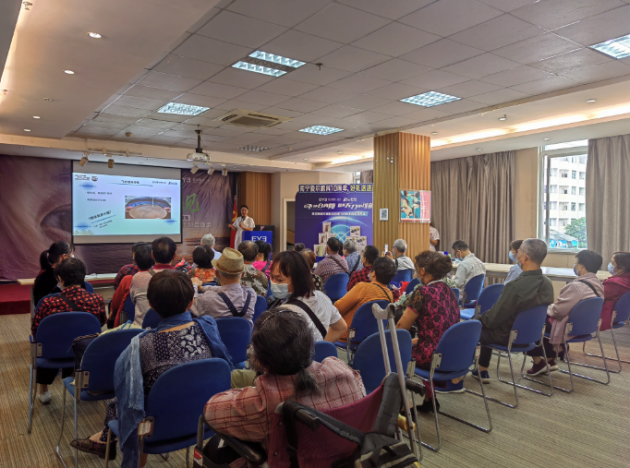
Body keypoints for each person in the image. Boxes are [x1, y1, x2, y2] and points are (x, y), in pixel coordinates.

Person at [71, 270, 233, 465]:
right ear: (191, 302)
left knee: (129, 398)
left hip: (154, 430)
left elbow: (128, 401)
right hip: (203, 421)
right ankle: (103, 438)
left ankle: (105, 439)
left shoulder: (140, 347)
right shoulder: (208, 329)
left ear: (151, 305)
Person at [204, 309, 365, 460]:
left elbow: (210, 411)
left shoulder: (264, 401)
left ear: (262, 362)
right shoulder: (343, 371)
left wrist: (251, 390)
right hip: (343, 460)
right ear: (309, 344)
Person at [472, 239, 554, 383]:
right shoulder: (547, 283)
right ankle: (481, 369)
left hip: (508, 336)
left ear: (524, 257)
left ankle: (458, 375)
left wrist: (475, 320)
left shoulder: (515, 286)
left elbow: (493, 320)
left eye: (519, 251)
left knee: (473, 328)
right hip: (532, 336)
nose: (516, 254)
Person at [32, 258, 106, 403]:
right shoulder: (97, 300)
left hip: (53, 352)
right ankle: (78, 383)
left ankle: (43, 391)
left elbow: (36, 331)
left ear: (60, 279)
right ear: (83, 277)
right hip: (84, 352)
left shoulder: (47, 303)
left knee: (47, 342)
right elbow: (101, 322)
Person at [395, 251, 459, 411]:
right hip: (451, 352)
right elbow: (439, 329)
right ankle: (430, 399)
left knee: (392, 352)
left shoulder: (422, 292)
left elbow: (401, 327)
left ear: (422, 271)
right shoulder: (449, 291)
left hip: (431, 355)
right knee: (413, 345)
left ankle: (402, 407)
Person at [526, 250, 604, 375]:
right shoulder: (598, 284)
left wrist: (546, 308)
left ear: (581, 266)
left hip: (569, 326)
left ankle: (538, 363)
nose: (575, 266)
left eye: (576, 263)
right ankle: (550, 361)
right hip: (585, 326)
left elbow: (558, 311)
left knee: (531, 321)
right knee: (541, 321)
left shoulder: (576, 286)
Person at [269, 251, 347, 342]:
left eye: (279, 280)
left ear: (297, 280)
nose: (273, 282)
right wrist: (320, 347)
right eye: (272, 277)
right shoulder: (323, 297)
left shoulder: (285, 312)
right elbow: (341, 327)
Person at [335, 257, 395, 341]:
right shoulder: (389, 294)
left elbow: (337, 308)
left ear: (373, 273)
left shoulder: (362, 287)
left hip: (347, 336)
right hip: (372, 338)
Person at [192, 248, 256, 327]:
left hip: (216, 335)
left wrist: (194, 285)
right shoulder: (251, 294)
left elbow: (191, 301)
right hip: (246, 335)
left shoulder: (208, 299)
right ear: (242, 274)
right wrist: (202, 288)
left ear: (217, 274)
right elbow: (228, 290)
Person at [130, 237, 176, 327]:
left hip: (141, 330)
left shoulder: (138, 277)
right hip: (173, 328)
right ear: (174, 255)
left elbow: (133, 300)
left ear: (152, 255)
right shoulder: (182, 278)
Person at [110, 243, 154, 327]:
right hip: (153, 325)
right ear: (152, 256)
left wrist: (112, 311)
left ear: (134, 255)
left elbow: (116, 300)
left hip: (129, 323)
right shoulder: (157, 278)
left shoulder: (126, 275)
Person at [33, 241, 73, 306]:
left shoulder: (41, 277)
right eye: (71, 254)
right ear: (63, 257)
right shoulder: (68, 277)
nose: (72, 257)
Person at [601, 252, 630, 332]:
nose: (610, 264)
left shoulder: (614, 284)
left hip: (604, 315)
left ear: (622, 268)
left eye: (612, 262)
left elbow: (597, 297)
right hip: (618, 316)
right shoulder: (626, 280)